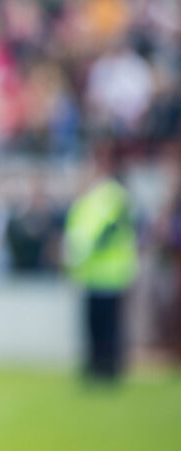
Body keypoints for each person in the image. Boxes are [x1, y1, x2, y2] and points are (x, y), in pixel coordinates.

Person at [63, 144, 139, 383]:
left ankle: (109, 369)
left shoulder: (113, 195)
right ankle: (95, 366)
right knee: (94, 325)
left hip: (110, 272)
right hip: (91, 273)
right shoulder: (90, 197)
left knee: (108, 325)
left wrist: (84, 249)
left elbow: (108, 231)